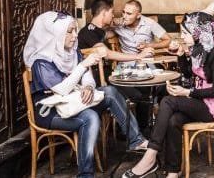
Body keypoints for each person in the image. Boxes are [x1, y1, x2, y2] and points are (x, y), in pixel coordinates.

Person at [23, 11, 147, 178]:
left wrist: (88, 87)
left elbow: (87, 78)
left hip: (75, 101)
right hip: (50, 111)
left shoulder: (72, 52)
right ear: (55, 34)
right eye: (69, 31)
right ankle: (85, 174)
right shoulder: (41, 61)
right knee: (89, 117)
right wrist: (83, 66)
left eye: (75, 30)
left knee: (109, 91)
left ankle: (136, 140)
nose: (75, 36)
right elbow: (61, 89)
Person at [122, 12, 214, 178]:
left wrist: (187, 92)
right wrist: (181, 55)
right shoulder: (201, 48)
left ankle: (150, 155)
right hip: (202, 101)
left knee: (167, 101)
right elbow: (188, 74)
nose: (182, 36)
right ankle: (173, 171)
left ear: (198, 32)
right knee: (174, 120)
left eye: (185, 33)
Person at [78, 0, 155, 85]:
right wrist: (139, 56)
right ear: (104, 13)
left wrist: (122, 23)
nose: (113, 16)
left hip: (111, 73)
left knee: (146, 79)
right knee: (139, 90)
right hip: (96, 77)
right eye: (111, 12)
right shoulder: (88, 32)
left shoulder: (99, 30)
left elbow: (113, 33)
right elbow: (107, 54)